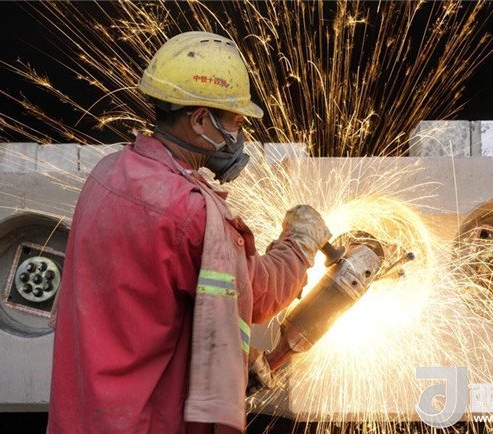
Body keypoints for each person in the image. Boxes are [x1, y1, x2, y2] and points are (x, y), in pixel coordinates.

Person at [48, 31, 331, 434]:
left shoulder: (107, 174)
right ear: (199, 120)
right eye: (235, 121)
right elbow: (258, 294)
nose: (239, 137)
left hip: (82, 418)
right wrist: (299, 245)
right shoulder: (192, 213)